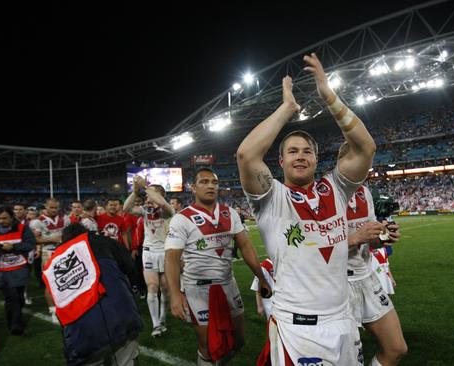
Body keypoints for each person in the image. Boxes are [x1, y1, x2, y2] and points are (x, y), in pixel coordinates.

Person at [237, 52, 375, 365]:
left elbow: (366, 148)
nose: (300, 156)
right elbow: (246, 156)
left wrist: (329, 96)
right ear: (281, 161)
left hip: (343, 322)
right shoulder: (271, 198)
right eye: (292, 151)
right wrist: (287, 109)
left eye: (307, 151)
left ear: (315, 159)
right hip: (296, 329)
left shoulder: (336, 188)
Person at [165, 167, 271, 365]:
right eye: (204, 182)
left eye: (214, 182)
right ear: (193, 187)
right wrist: (175, 294)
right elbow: (171, 258)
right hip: (198, 289)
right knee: (207, 346)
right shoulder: (181, 219)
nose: (210, 186)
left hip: (227, 284)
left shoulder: (229, 213)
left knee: (239, 341)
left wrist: (262, 278)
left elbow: (246, 246)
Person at [43, 223, 142, 366]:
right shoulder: (102, 241)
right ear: (86, 233)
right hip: (120, 318)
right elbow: (130, 268)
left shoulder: (53, 261)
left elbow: (50, 293)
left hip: (80, 336)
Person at [345, 181, 406, 366]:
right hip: (340, 283)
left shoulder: (365, 193)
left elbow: (369, 241)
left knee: (396, 348)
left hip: (367, 276)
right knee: (349, 360)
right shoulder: (326, 193)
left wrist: (383, 237)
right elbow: (314, 245)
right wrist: (355, 238)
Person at [124, 177, 174, 337]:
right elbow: (126, 208)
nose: (148, 199)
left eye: (152, 196)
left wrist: (146, 187)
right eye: (147, 197)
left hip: (165, 252)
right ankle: (156, 325)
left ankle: (163, 319)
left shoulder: (167, 211)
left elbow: (163, 204)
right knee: (152, 287)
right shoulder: (144, 211)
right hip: (149, 252)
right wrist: (136, 191)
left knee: (165, 288)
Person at [0, 206, 35, 335]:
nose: (1, 221)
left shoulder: (23, 228)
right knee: (11, 297)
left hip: (19, 268)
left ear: (11, 217)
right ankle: (14, 325)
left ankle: (15, 320)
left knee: (18, 297)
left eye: (4, 218)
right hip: (1, 270)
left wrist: (13, 247)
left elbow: (31, 244)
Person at [29, 197, 69, 321]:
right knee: (50, 283)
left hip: (63, 252)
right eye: (51, 207)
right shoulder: (37, 222)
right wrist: (53, 239)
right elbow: (36, 239)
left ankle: (65, 306)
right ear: (45, 207)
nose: (54, 210)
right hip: (49, 253)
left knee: (66, 280)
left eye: (56, 207)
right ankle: (53, 311)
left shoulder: (65, 218)